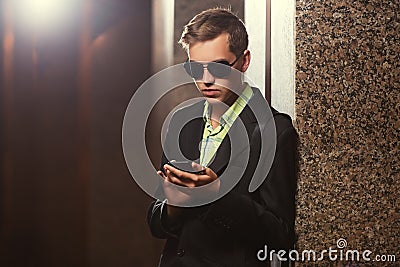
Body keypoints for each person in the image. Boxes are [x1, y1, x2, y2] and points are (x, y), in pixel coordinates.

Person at [147, 8, 298, 267]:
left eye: (219, 67)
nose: (206, 80)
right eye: (196, 68)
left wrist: (218, 194)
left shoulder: (273, 130)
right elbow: (156, 222)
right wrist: (172, 209)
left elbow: (280, 236)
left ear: (244, 61)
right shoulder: (181, 123)